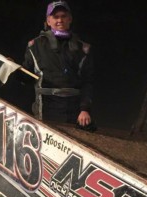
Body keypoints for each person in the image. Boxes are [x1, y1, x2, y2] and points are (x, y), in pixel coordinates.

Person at [22, 1, 95, 130]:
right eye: (55, 17)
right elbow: (26, 77)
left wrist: (85, 109)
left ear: (70, 19)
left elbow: (87, 82)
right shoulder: (35, 46)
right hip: (46, 109)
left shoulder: (82, 48)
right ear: (48, 21)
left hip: (74, 111)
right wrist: (11, 68)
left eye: (63, 16)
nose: (60, 20)